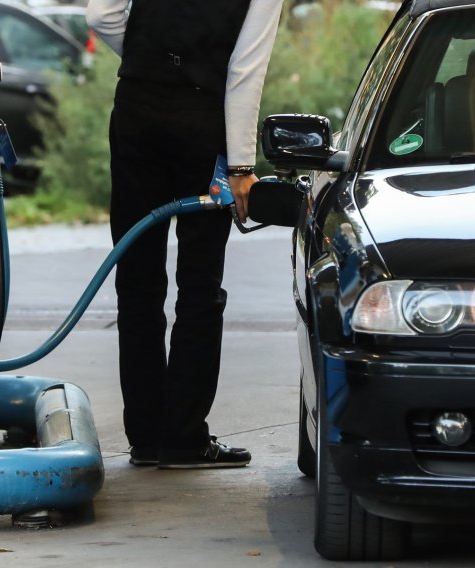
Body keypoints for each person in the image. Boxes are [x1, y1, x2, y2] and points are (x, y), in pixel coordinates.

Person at [86, 0, 283, 468]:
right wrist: (240, 167)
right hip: (202, 115)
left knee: (136, 280)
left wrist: (146, 61)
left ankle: (146, 437)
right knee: (198, 283)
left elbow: (101, 17)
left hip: (136, 107)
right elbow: (244, 70)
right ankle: (182, 437)